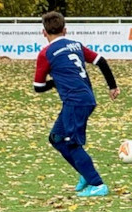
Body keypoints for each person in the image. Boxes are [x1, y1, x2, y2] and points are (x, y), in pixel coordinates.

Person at [33, 11, 120, 198]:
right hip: (85, 99)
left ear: (44, 33)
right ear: (65, 30)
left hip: (75, 102)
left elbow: (38, 87)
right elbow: (101, 61)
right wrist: (112, 86)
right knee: (56, 138)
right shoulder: (76, 46)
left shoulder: (45, 53)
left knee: (71, 143)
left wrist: (54, 82)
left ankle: (97, 184)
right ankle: (85, 174)